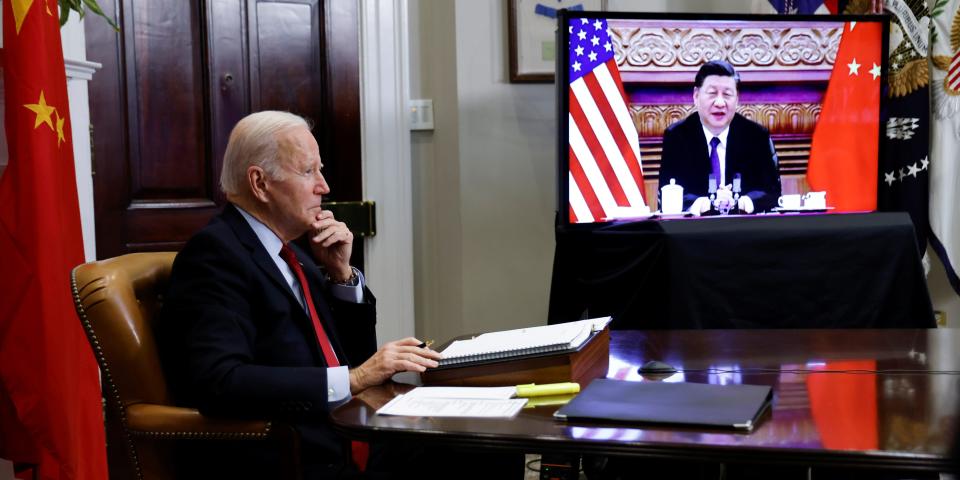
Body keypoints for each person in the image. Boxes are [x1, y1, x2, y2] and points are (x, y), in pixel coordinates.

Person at [158, 111, 446, 479]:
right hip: (294, 455)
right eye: (308, 172)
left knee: (482, 445)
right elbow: (221, 380)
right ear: (260, 183)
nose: (324, 186)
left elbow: (352, 358)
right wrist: (356, 379)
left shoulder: (295, 254)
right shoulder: (216, 256)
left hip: (346, 435)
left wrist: (342, 276)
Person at [657, 60, 782, 215]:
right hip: (693, 232)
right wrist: (706, 204)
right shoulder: (677, 137)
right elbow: (667, 193)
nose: (720, 103)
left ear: (737, 99)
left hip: (745, 231)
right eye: (712, 93)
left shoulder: (756, 136)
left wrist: (740, 202)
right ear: (696, 96)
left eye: (727, 94)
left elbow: (772, 192)